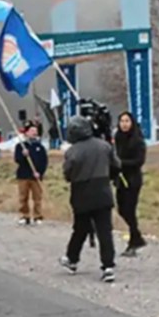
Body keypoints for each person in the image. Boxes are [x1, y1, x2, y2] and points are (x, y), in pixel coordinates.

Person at [59, 116, 121, 283]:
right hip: (102, 191)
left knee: (80, 228)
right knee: (104, 231)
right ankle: (108, 266)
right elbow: (116, 165)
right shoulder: (104, 146)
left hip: (81, 193)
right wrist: (110, 177)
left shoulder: (72, 151)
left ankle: (72, 259)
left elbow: (67, 173)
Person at [114, 112, 147, 257]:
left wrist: (121, 163)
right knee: (121, 210)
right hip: (120, 179)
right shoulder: (118, 138)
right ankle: (137, 237)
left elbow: (139, 161)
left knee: (130, 210)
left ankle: (134, 240)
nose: (124, 124)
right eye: (122, 121)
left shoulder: (138, 140)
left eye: (127, 121)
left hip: (133, 180)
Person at [14, 124, 48, 226]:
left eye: (35, 131)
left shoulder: (40, 147)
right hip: (23, 175)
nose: (34, 133)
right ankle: (25, 216)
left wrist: (40, 173)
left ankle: (38, 216)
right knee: (23, 197)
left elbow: (44, 161)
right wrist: (23, 155)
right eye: (32, 131)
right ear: (27, 133)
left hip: (35, 176)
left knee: (37, 198)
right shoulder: (20, 146)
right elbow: (17, 159)